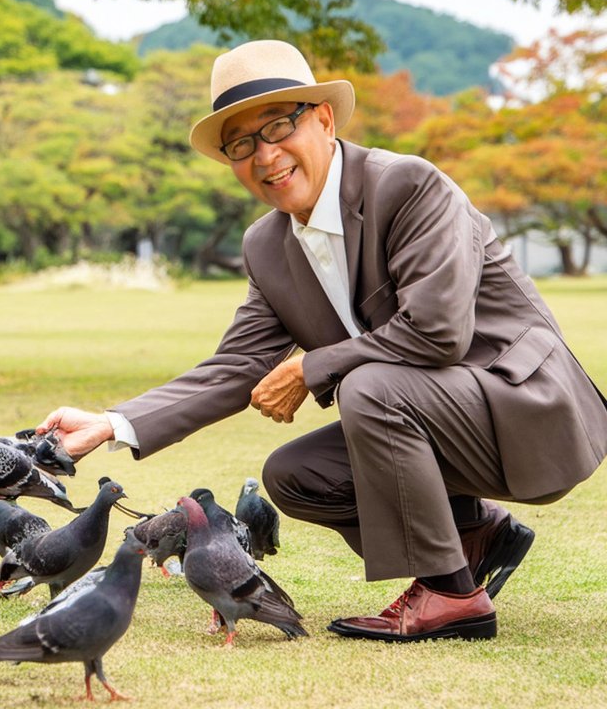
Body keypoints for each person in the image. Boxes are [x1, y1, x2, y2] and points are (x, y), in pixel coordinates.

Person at [38, 39, 607, 642]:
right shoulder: (267, 245)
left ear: (326, 120)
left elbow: (438, 331)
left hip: (528, 411)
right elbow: (238, 367)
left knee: (369, 387)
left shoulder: (409, 186)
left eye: (279, 126)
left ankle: (450, 595)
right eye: (241, 144)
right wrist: (110, 423)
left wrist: (314, 367)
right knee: (296, 473)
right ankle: (474, 534)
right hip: (441, 416)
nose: (265, 154)